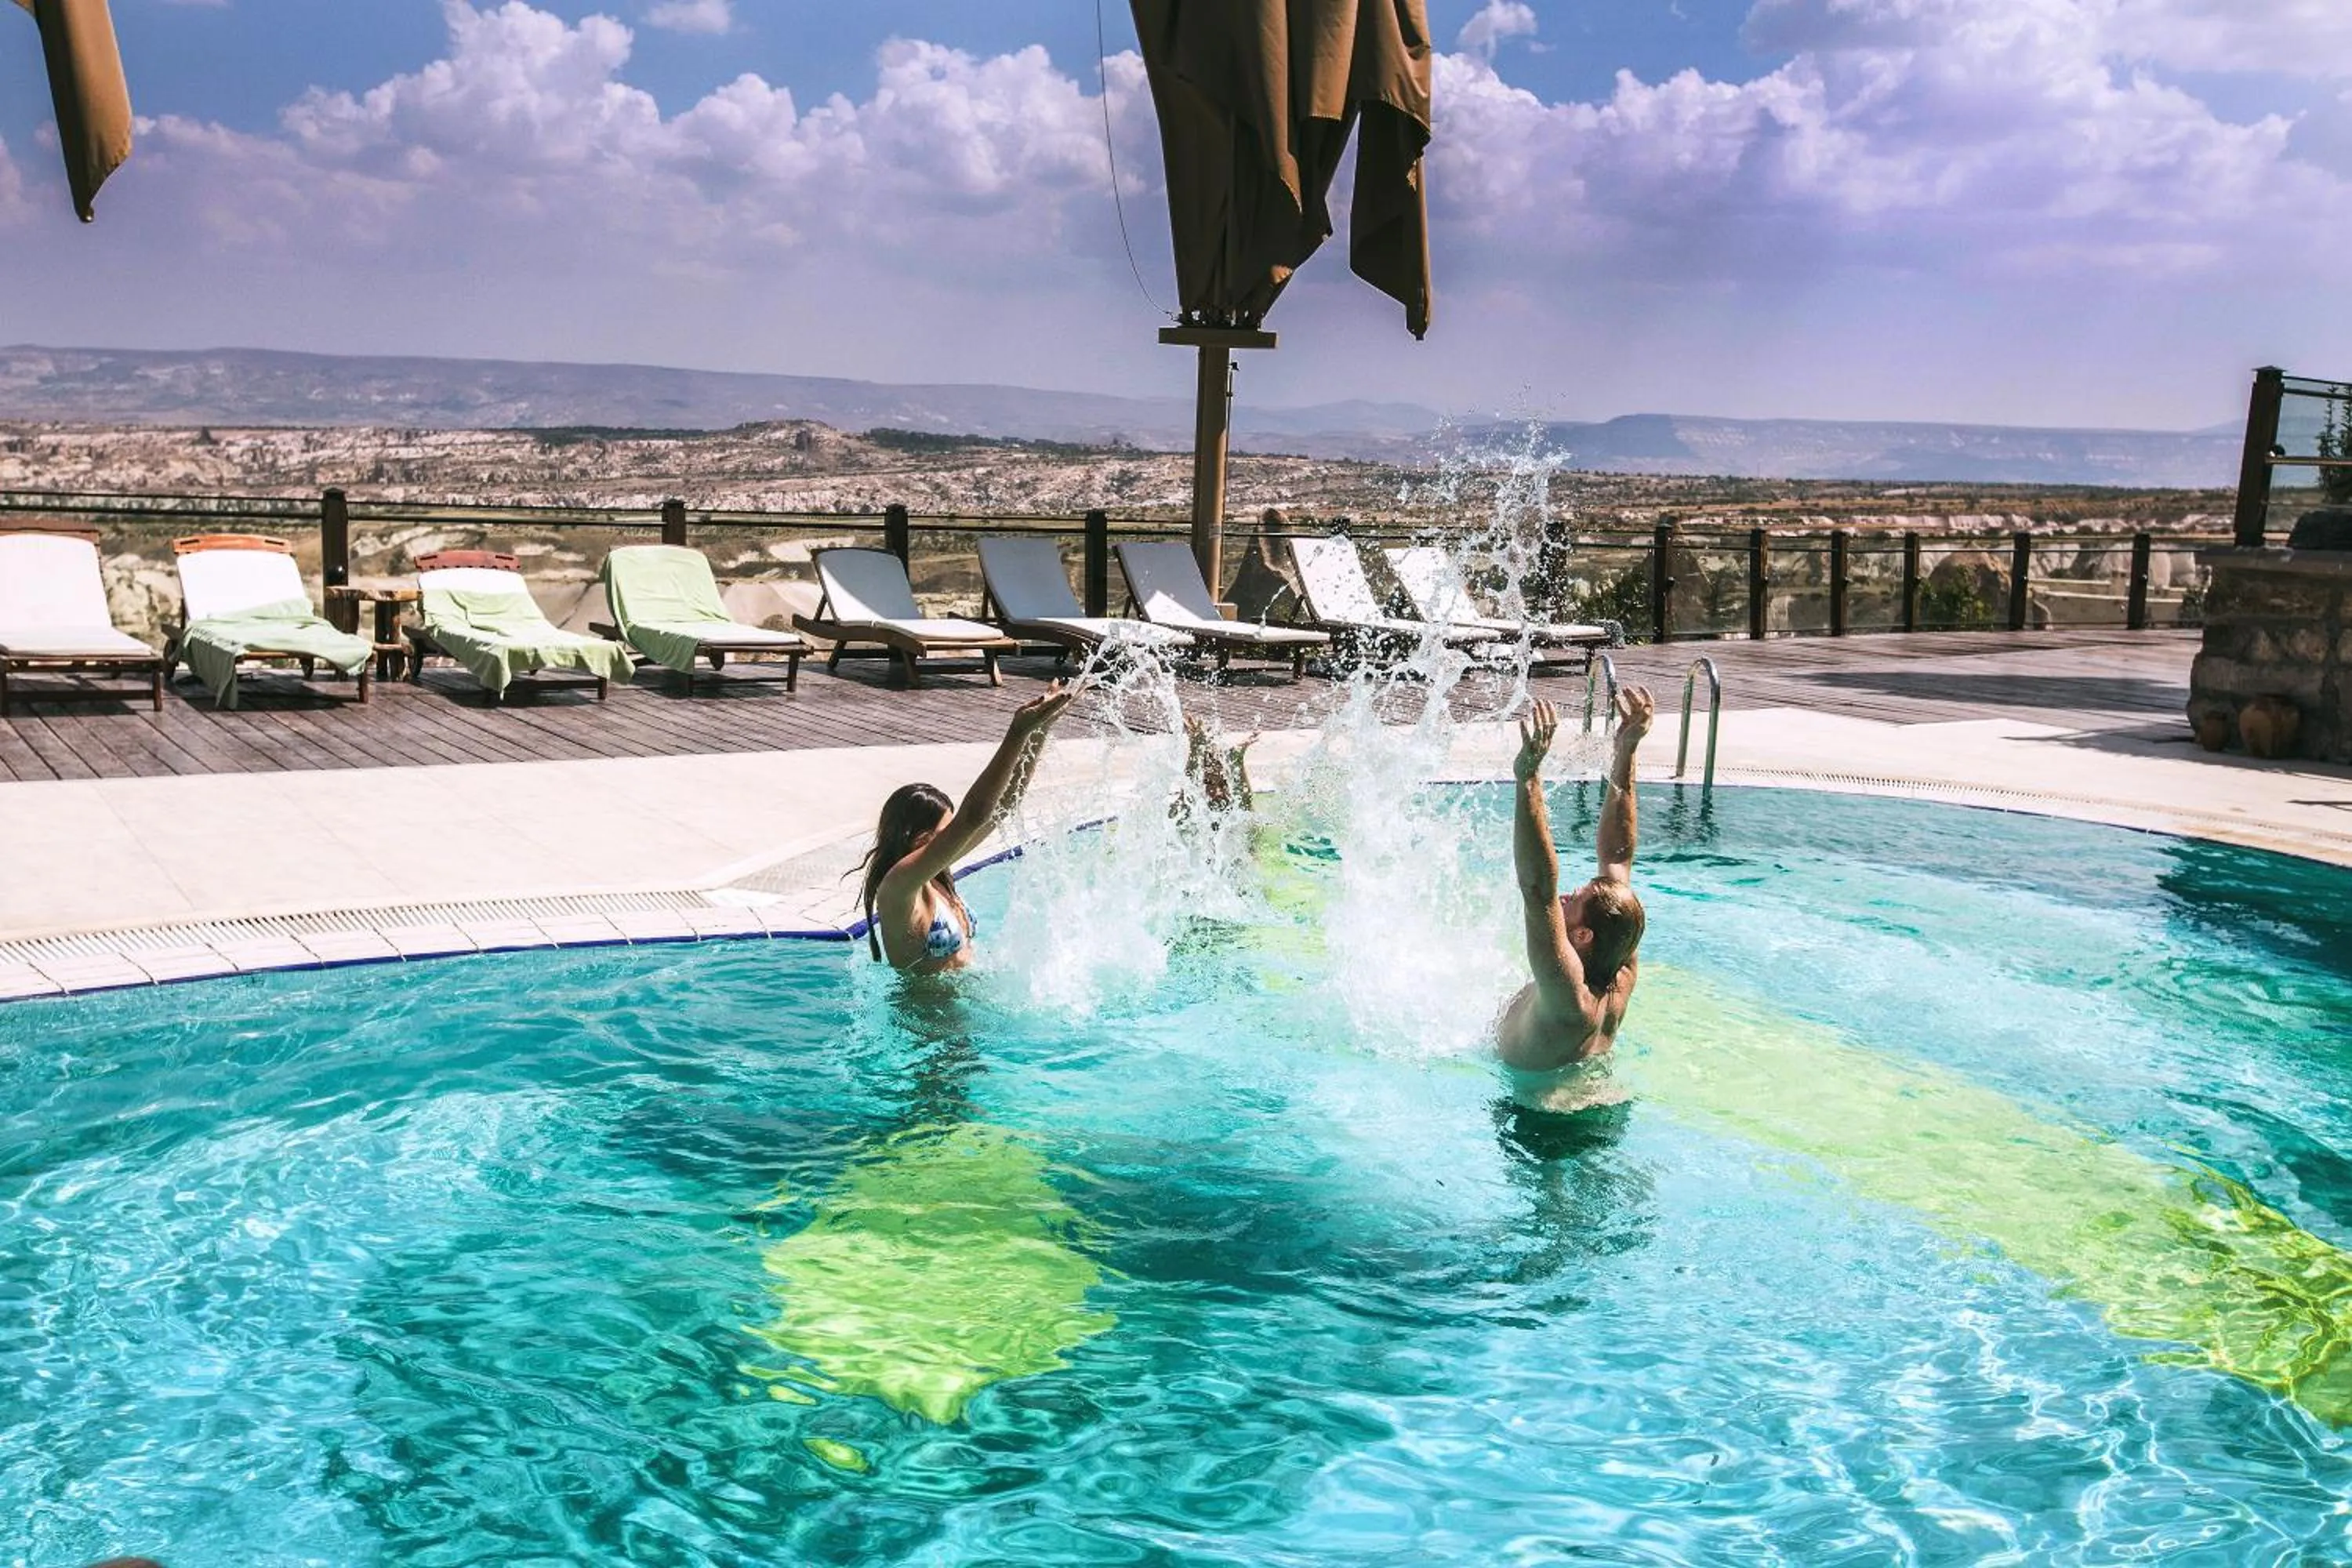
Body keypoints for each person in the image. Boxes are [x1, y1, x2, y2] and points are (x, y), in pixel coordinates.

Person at [1495, 687, 1653, 1113]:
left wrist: (1527, 777)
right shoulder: (1620, 965)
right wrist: (1626, 750)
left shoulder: (1569, 994)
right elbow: (1618, 858)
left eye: (1576, 900)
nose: (1567, 896)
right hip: (1588, 1096)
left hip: (1542, 1118)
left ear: (1582, 935)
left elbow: (1538, 891)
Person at [858, 684, 1075, 972]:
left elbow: (1005, 804)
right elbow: (972, 817)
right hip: (930, 1019)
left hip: (967, 1011)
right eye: (946, 833)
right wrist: (1016, 733)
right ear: (918, 839)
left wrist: (1040, 729)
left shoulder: (936, 875)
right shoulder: (898, 889)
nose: (954, 839)